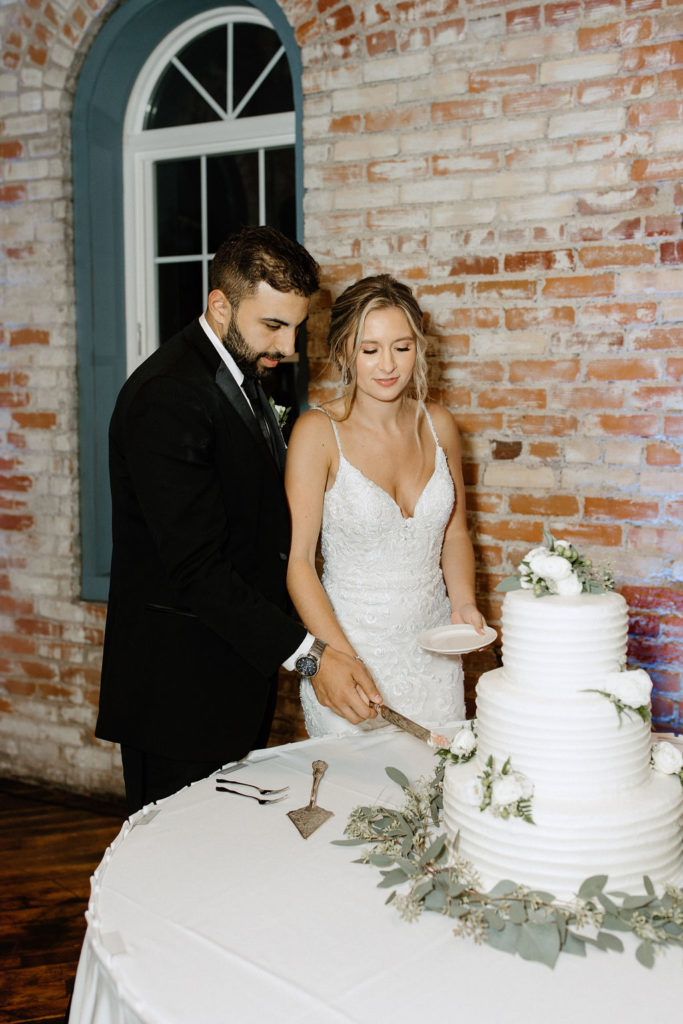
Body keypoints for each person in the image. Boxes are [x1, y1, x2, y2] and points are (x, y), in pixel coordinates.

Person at [96, 227, 380, 814]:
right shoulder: (168, 395)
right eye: (273, 326)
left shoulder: (240, 372)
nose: (290, 345)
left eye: (296, 327)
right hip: (177, 693)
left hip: (231, 677)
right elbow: (197, 569)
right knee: (175, 868)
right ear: (220, 304)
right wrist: (310, 655)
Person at [285, 274, 486, 737]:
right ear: (343, 353)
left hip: (434, 655)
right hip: (350, 650)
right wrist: (338, 660)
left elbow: (454, 533)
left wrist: (464, 604)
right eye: (369, 349)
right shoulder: (317, 433)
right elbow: (299, 565)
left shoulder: (439, 426)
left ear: (419, 345)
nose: (388, 365)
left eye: (402, 346)